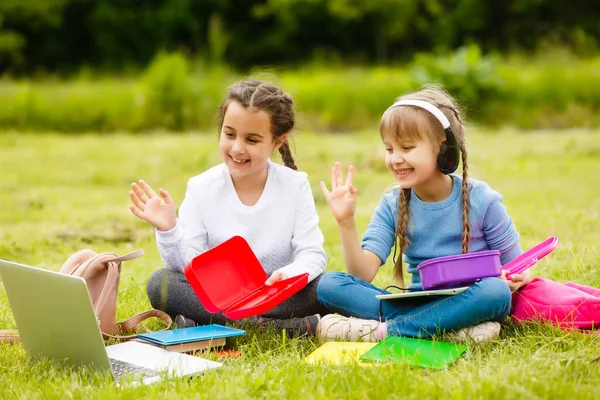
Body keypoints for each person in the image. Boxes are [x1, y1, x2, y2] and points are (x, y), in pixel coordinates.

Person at [316, 86, 531, 343]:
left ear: (443, 149)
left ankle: (386, 331)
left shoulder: (483, 199)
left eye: (406, 147)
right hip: (415, 303)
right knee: (329, 284)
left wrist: (513, 278)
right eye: (389, 149)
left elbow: (520, 267)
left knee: (496, 292)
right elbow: (362, 274)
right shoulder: (392, 204)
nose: (395, 159)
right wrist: (346, 222)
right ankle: (448, 328)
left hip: (470, 298)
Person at [129, 79, 328, 337]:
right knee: (161, 283)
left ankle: (204, 323)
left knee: (326, 287)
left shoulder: (295, 186)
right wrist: (168, 230)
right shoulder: (201, 187)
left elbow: (313, 255)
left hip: (276, 295)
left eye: (252, 140)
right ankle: (273, 328)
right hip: (220, 297)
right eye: (230, 134)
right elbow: (189, 265)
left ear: (277, 142)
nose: (237, 148)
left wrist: (287, 275)